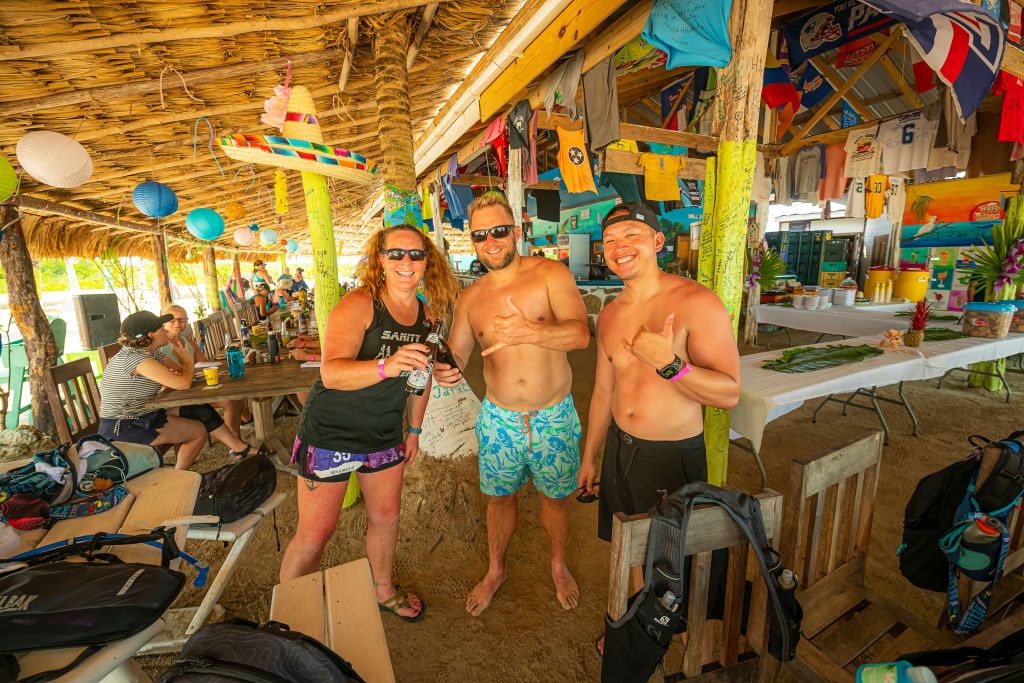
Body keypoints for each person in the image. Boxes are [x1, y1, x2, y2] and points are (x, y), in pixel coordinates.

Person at [578, 203, 740, 655]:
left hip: (670, 454)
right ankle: (641, 625)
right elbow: (603, 392)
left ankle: (669, 634)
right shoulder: (609, 314)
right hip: (620, 449)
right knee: (630, 545)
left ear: (657, 241)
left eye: (631, 235)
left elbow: (729, 393)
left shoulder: (696, 302)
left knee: (670, 558)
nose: (619, 247)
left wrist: (670, 365)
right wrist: (590, 456)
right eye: (610, 240)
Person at [279, 223, 460, 623]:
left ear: (426, 261)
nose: (405, 262)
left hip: (384, 435)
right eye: (395, 253)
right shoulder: (361, 304)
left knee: (386, 517)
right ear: (380, 259)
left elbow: (420, 379)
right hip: (331, 434)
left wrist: (414, 430)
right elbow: (331, 373)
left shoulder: (428, 315)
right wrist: (385, 366)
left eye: (415, 254)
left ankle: (383, 590)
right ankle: (290, 615)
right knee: (315, 535)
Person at [432, 192, 590, 616]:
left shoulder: (550, 274)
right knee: (500, 499)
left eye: (499, 231)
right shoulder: (470, 299)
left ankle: (557, 565)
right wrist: (444, 368)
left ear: (515, 231)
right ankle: (496, 570)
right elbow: (457, 354)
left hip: (553, 414)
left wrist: (529, 331)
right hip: (499, 419)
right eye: (480, 235)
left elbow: (579, 334)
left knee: (555, 499)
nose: (490, 241)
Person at [97, 311, 264, 470]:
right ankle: (181, 477)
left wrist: (184, 365)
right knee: (198, 432)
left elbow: (179, 371)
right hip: (124, 426)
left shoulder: (152, 353)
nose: (165, 331)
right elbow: (183, 383)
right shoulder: (139, 360)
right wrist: (188, 361)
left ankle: (240, 449)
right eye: (161, 329)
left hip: (145, 412)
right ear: (150, 335)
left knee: (200, 409)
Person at [161, 304, 252, 436]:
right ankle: (236, 441)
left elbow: (203, 363)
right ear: (163, 322)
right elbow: (168, 380)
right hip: (177, 394)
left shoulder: (187, 341)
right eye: (172, 320)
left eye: (182, 319)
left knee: (233, 388)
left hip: (195, 386)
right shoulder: (161, 346)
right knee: (230, 399)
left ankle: (245, 421)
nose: (178, 323)